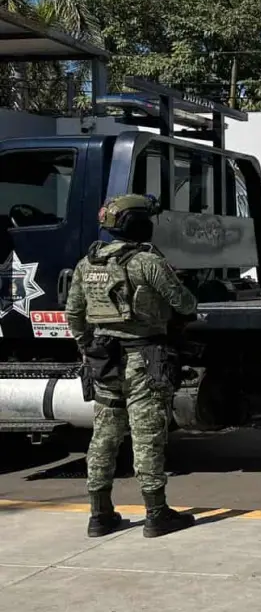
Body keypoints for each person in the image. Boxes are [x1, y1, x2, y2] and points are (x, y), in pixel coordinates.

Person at [65, 193, 199, 539]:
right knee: (147, 436)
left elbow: (74, 315)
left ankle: (100, 514)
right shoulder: (145, 262)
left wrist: (87, 349)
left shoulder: (87, 263)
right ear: (138, 224)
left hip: (104, 359)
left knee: (104, 437)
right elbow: (184, 303)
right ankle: (156, 513)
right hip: (144, 360)